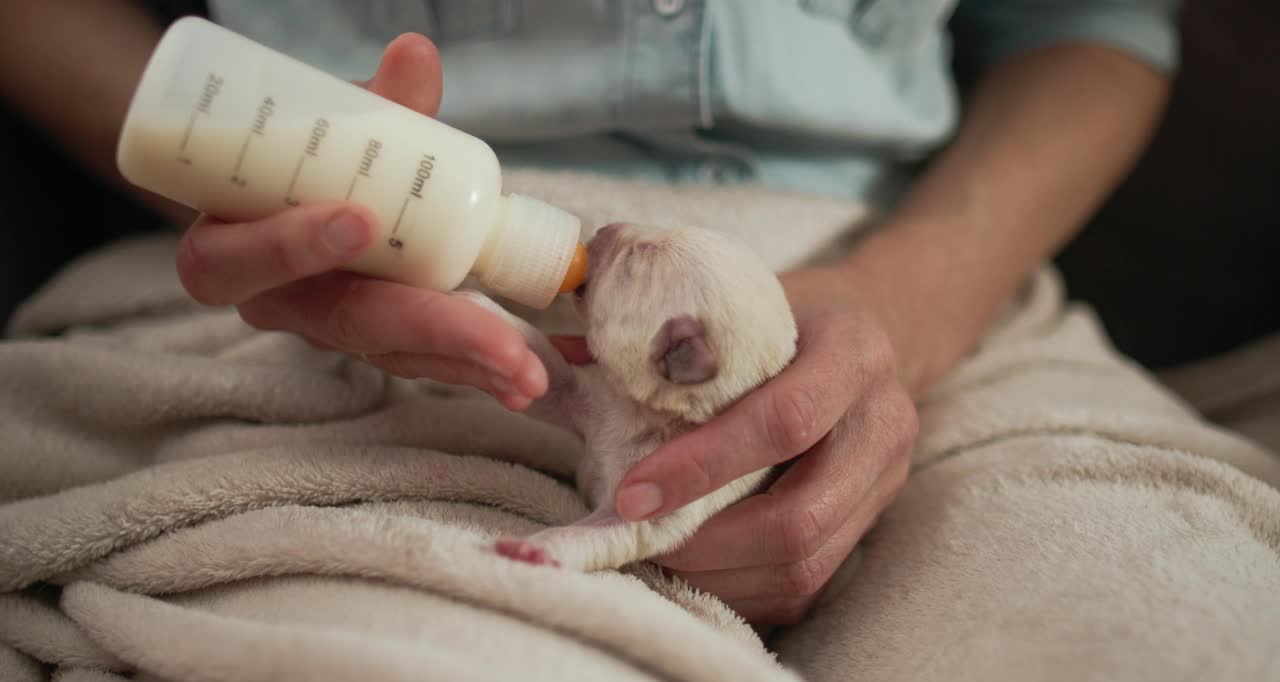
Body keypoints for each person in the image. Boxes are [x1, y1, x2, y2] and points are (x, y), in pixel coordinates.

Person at [0, 0, 1180, 625]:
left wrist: (912, 294)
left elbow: (1095, 22)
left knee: (1151, 638)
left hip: (934, 279)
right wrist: (238, 173)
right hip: (301, 298)